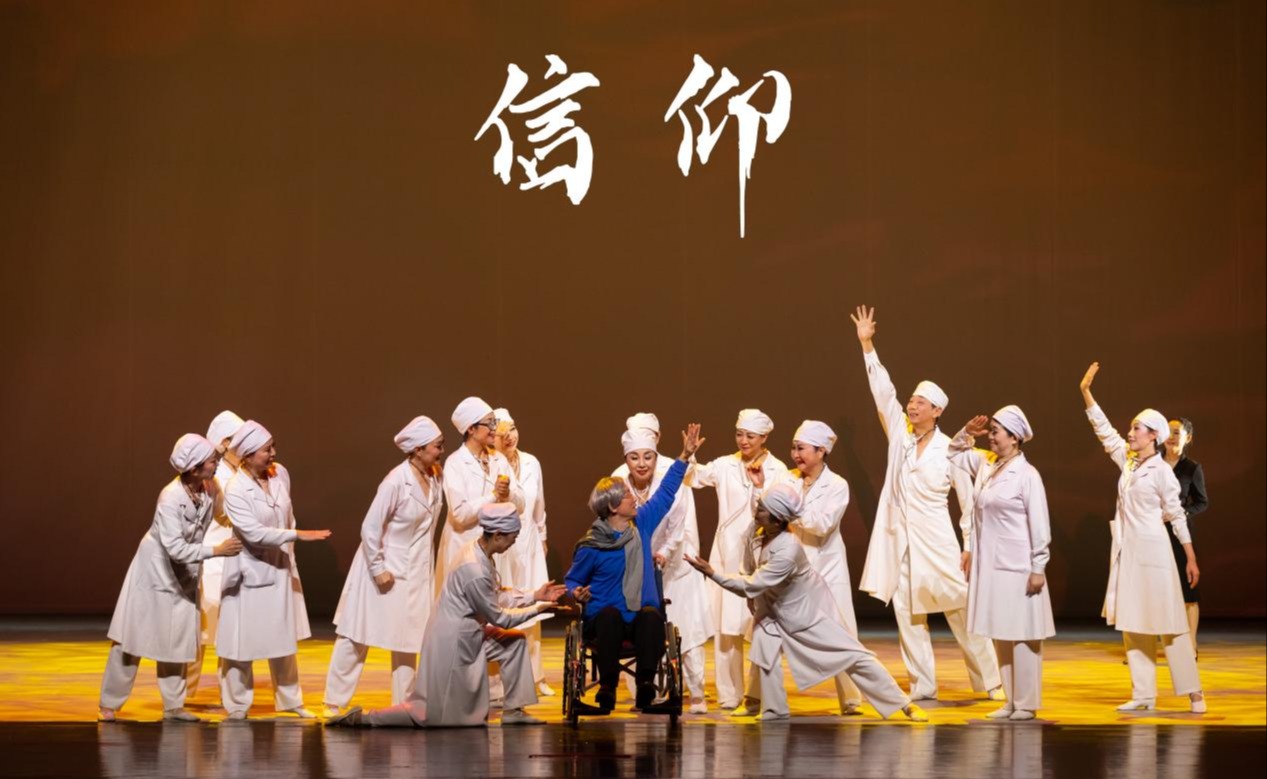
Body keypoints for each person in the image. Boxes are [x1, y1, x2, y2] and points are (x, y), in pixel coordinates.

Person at [851, 305, 1002, 701]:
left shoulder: (949, 449)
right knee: (908, 613)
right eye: (912, 400)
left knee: (961, 610)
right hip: (902, 542)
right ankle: (923, 684)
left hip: (938, 541)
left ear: (937, 412)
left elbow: (968, 503)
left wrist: (969, 545)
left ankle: (991, 682)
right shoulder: (900, 438)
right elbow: (883, 392)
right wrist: (868, 345)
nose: (912, 405)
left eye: (920, 402)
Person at [685, 484, 927, 722]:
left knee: (852, 655)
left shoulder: (787, 549)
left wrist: (712, 573)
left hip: (805, 613)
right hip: (771, 608)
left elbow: (752, 584)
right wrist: (753, 599)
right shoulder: (757, 530)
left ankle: (904, 704)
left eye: (761, 508)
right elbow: (749, 566)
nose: (756, 510)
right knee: (764, 653)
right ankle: (769, 708)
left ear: (777, 518)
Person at [326, 503, 566, 728]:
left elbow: (495, 595)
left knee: (513, 643)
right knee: (427, 714)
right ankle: (364, 719)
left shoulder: (479, 551)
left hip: (469, 633)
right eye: (513, 537)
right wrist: (539, 609)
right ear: (498, 535)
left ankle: (514, 711)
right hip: (452, 643)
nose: (513, 542)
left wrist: (535, 595)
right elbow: (500, 618)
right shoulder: (474, 568)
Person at [1080, 362, 1206, 713]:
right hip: (1129, 553)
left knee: (1171, 623)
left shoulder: (1162, 471)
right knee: (1132, 620)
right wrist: (1086, 392)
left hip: (1156, 553)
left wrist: (1190, 557)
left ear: (1153, 435)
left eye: (1136, 428)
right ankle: (1143, 694)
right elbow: (1104, 432)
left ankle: (1195, 692)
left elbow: (1176, 515)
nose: (1129, 432)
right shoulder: (1129, 462)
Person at [99, 434, 243, 722]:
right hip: (154, 573)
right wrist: (217, 550)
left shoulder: (210, 486)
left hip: (183, 574)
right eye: (211, 461)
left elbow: (223, 515)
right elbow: (175, 548)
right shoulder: (170, 497)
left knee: (178, 636)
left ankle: (174, 707)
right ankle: (109, 704)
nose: (215, 463)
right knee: (131, 637)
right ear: (193, 468)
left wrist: (249, 524)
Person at [565, 424, 706, 713]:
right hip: (605, 618)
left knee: (652, 616)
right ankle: (607, 688)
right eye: (628, 497)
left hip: (638, 613)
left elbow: (666, 492)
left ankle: (645, 686)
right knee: (609, 617)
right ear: (613, 507)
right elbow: (572, 580)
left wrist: (684, 456)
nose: (635, 499)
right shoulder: (591, 544)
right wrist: (576, 592)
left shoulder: (641, 525)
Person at [322, 416, 445, 717]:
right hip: (383, 569)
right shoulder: (395, 481)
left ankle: (404, 704)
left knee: (408, 639)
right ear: (418, 449)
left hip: (415, 573)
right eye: (437, 446)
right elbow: (370, 527)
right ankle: (333, 701)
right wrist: (378, 569)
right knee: (357, 633)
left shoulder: (434, 477)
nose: (441, 451)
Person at [216, 420, 333, 719]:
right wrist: (297, 536)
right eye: (267, 450)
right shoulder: (235, 489)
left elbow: (286, 515)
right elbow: (254, 533)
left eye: (272, 447)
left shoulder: (280, 473)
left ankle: (290, 700)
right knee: (242, 641)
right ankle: (237, 704)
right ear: (248, 454)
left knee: (283, 637)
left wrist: (290, 544)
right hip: (250, 569)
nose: (273, 454)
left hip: (279, 565)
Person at [948, 406, 1056, 720]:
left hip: (1020, 566)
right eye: (992, 431)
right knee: (1002, 632)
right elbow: (953, 454)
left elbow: (1040, 524)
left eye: (996, 432)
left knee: (1023, 634)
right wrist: (966, 433)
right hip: (993, 567)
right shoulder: (987, 465)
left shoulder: (1027, 475)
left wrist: (1038, 567)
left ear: (1014, 437)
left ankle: (1026, 703)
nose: (991, 437)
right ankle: (1010, 701)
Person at [612, 414, 715, 713]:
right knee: (643, 628)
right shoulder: (618, 478)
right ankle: (648, 691)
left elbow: (678, 522)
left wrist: (664, 552)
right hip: (639, 567)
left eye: (648, 456)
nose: (641, 463)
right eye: (634, 457)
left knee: (687, 628)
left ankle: (696, 693)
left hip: (676, 562)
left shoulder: (671, 471)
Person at [687, 409, 789, 712]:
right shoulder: (725, 465)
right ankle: (729, 694)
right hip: (725, 554)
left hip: (760, 554)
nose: (744, 441)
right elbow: (693, 477)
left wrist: (759, 486)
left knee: (759, 626)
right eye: (740, 434)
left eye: (751, 436)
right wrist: (689, 454)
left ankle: (757, 692)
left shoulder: (778, 469)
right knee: (725, 629)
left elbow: (777, 511)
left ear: (764, 437)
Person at [777, 420, 864, 714]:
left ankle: (851, 698)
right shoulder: (786, 479)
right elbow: (769, 509)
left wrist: (788, 510)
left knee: (842, 631)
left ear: (821, 450)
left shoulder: (837, 485)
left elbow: (822, 524)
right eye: (794, 448)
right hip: (790, 566)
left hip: (827, 567)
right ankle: (756, 697)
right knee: (770, 631)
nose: (795, 454)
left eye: (801, 448)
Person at [491, 408, 553, 696]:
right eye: (502, 433)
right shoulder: (491, 465)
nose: (510, 437)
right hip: (501, 545)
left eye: (513, 429)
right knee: (503, 607)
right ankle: (500, 679)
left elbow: (539, 505)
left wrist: (542, 537)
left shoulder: (531, 462)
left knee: (532, 607)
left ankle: (536, 677)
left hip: (528, 541)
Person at [436, 397, 525, 595]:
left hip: (495, 547)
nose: (495, 429)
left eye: (495, 422)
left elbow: (521, 505)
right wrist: (494, 496)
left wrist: (507, 494)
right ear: (471, 429)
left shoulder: (498, 459)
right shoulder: (455, 463)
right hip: (464, 549)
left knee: (496, 603)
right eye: (490, 423)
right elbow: (460, 514)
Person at [187, 410, 246, 697]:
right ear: (224, 443)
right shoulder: (214, 476)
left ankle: (231, 695)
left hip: (229, 559)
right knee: (197, 635)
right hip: (211, 561)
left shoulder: (236, 473)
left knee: (228, 634)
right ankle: (182, 695)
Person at [1163, 417, 1209, 652]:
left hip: (1180, 534)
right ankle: (1146, 646)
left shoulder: (1192, 468)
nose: (1170, 437)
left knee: (1188, 589)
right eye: (1168, 432)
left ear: (1188, 438)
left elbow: (1202, 502)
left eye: (1176, 433)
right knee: (1155, 587)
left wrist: (1180, 513)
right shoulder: (1152, 462)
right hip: (1153, 531)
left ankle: (1191, 644)